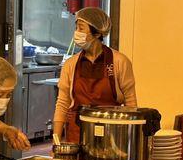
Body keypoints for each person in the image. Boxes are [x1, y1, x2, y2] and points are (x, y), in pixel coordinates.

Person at [53, 7, 137, 143]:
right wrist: (55, 141)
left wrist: (130, 140)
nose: (76, 33)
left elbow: (131, 103)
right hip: (76, 133)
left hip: (112, 134)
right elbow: (62, 103)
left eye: (81, 28)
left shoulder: (119, 61)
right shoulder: (71, 64)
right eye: (76, 28)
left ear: (97, 34)